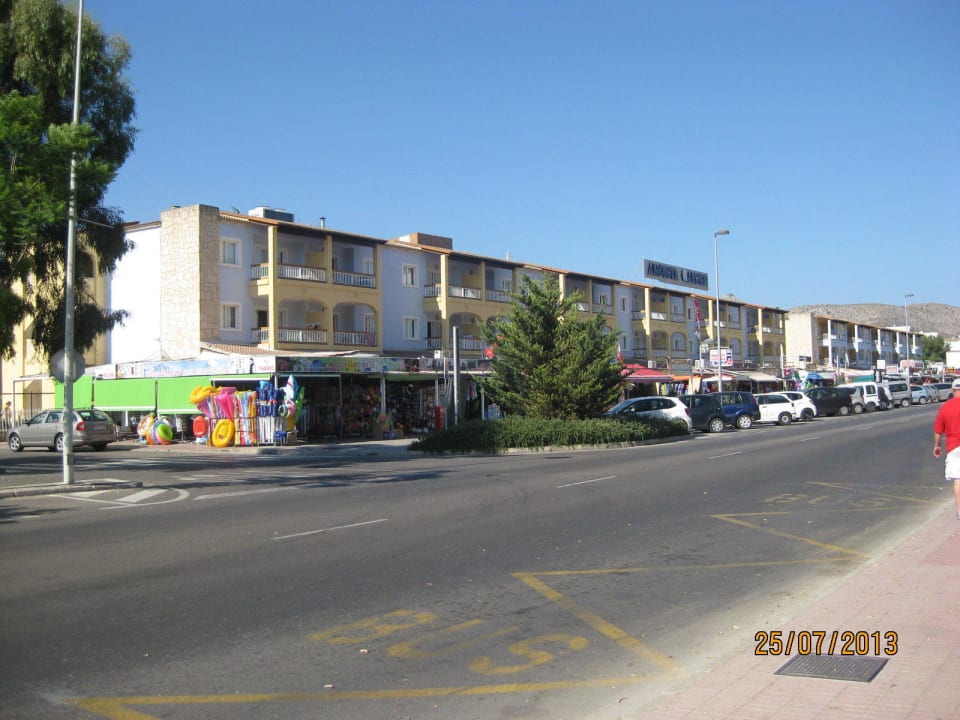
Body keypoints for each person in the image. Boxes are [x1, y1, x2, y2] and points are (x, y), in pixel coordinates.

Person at [932, 378, 960, 519]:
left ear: (953, 390)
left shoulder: (946, 407)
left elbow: (938, 430)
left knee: (958, 479)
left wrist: (937, 446)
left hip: (954, 447)